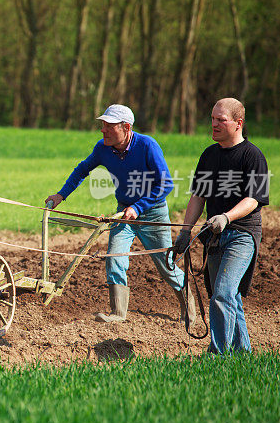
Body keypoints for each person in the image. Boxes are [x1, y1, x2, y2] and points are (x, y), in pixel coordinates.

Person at [46, 104, 195, 326]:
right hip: (123, 211)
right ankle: (118, 313)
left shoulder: (147, 146)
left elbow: (166, 184)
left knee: (165, 265)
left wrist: (139, 207)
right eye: (102, 125)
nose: (103, 130)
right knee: (114, 257)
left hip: (152, 213)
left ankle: (188, 306)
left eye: (109, 126)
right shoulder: (102, 148)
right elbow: (82, 170)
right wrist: (61, 195)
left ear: (126, 127)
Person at [170, 98, 269, 354]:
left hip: (241, 235)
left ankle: (217, 355)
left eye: (220, 120)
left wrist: (226, 217)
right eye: (212, 119)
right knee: (229, 297)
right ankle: (242, 354)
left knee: (222, 294)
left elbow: (253, 199)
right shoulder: (209, 155)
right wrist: (184, 232)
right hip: (213, 238)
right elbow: (198, 196)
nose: (213, 124)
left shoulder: (252, 156)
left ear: (238, 123)